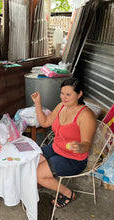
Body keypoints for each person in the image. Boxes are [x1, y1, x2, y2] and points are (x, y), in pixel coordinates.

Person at [31, 77, 96, 208]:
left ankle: (68, 193)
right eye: (62, 93)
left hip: (74, 159)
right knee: (29, 161)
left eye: (68, 94)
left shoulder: (85, 115)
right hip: (56, 149)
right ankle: (45, 179)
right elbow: (44, 122)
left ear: (79, 94)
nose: (63, 97)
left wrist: (79, 147)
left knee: (38, 174)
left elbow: (87, 144)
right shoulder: (61, 106)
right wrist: (37, 103)